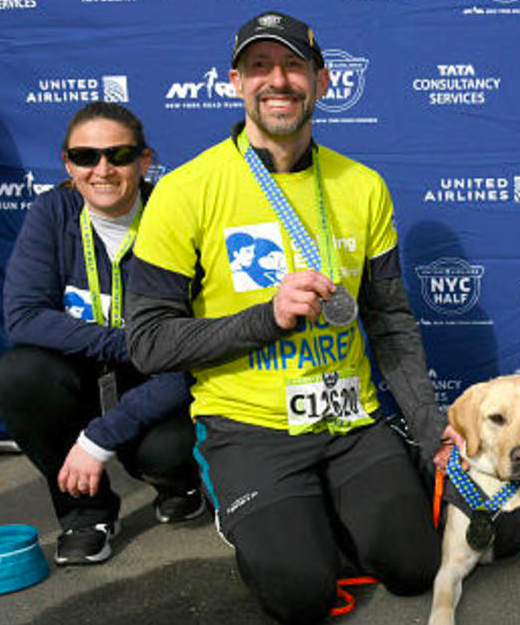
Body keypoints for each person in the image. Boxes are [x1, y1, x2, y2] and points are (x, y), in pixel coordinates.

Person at [124, 11, 461, 623]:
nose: (277, 81)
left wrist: (430, 424)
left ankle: (322, 509)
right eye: (259, 66)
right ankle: (265, 516)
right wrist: (266, 316)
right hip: (248, 428)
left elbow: (388, 320)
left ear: (322, 81)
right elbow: (147, 343)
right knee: (301, 598)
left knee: (415, 567)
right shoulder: (185, 191)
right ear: (235, 82)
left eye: (293, 66)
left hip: (350, 419)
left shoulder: (362, 186)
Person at [0, 102, 204, 566]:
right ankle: (85, 513)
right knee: (19, 373)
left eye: (119, 154)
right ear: (68, 165)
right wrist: (130, 341)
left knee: (166, 451)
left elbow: (188, 355)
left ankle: (179, 483)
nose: (103, 169)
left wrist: (100, 438)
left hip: (162, 380)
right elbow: (25, 316)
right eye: (86, 156)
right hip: (88, 373)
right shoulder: (54, 211)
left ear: (145, 160)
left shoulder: (175, 218)